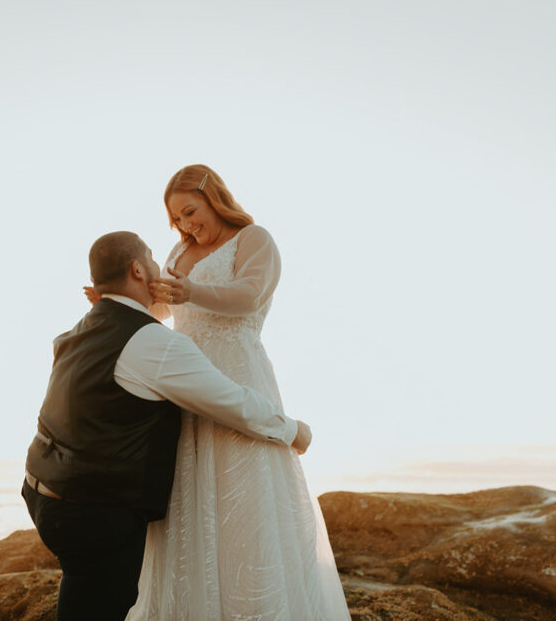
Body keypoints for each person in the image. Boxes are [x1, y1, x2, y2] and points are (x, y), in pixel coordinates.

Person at [24, 230, 313, 621]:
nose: (162, 269)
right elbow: (230, 402)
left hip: (43, 492)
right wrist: (292, 430)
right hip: (92, 512)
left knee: (84, 591)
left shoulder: (82, 327)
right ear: (138, 269)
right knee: (100, 603)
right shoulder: (153, 343)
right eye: (154, 261)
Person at [128, 165, 349, 620]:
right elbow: (164, 307)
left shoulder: (255, 239)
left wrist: (190, 291)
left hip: (238, 373)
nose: (187, 225)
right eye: (178, 220)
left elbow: (249, 295)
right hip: (186, 388)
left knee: (245, 506)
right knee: (186, 504)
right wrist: (122, 300)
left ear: (214, 196)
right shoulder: (179, 250)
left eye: (191, 211)